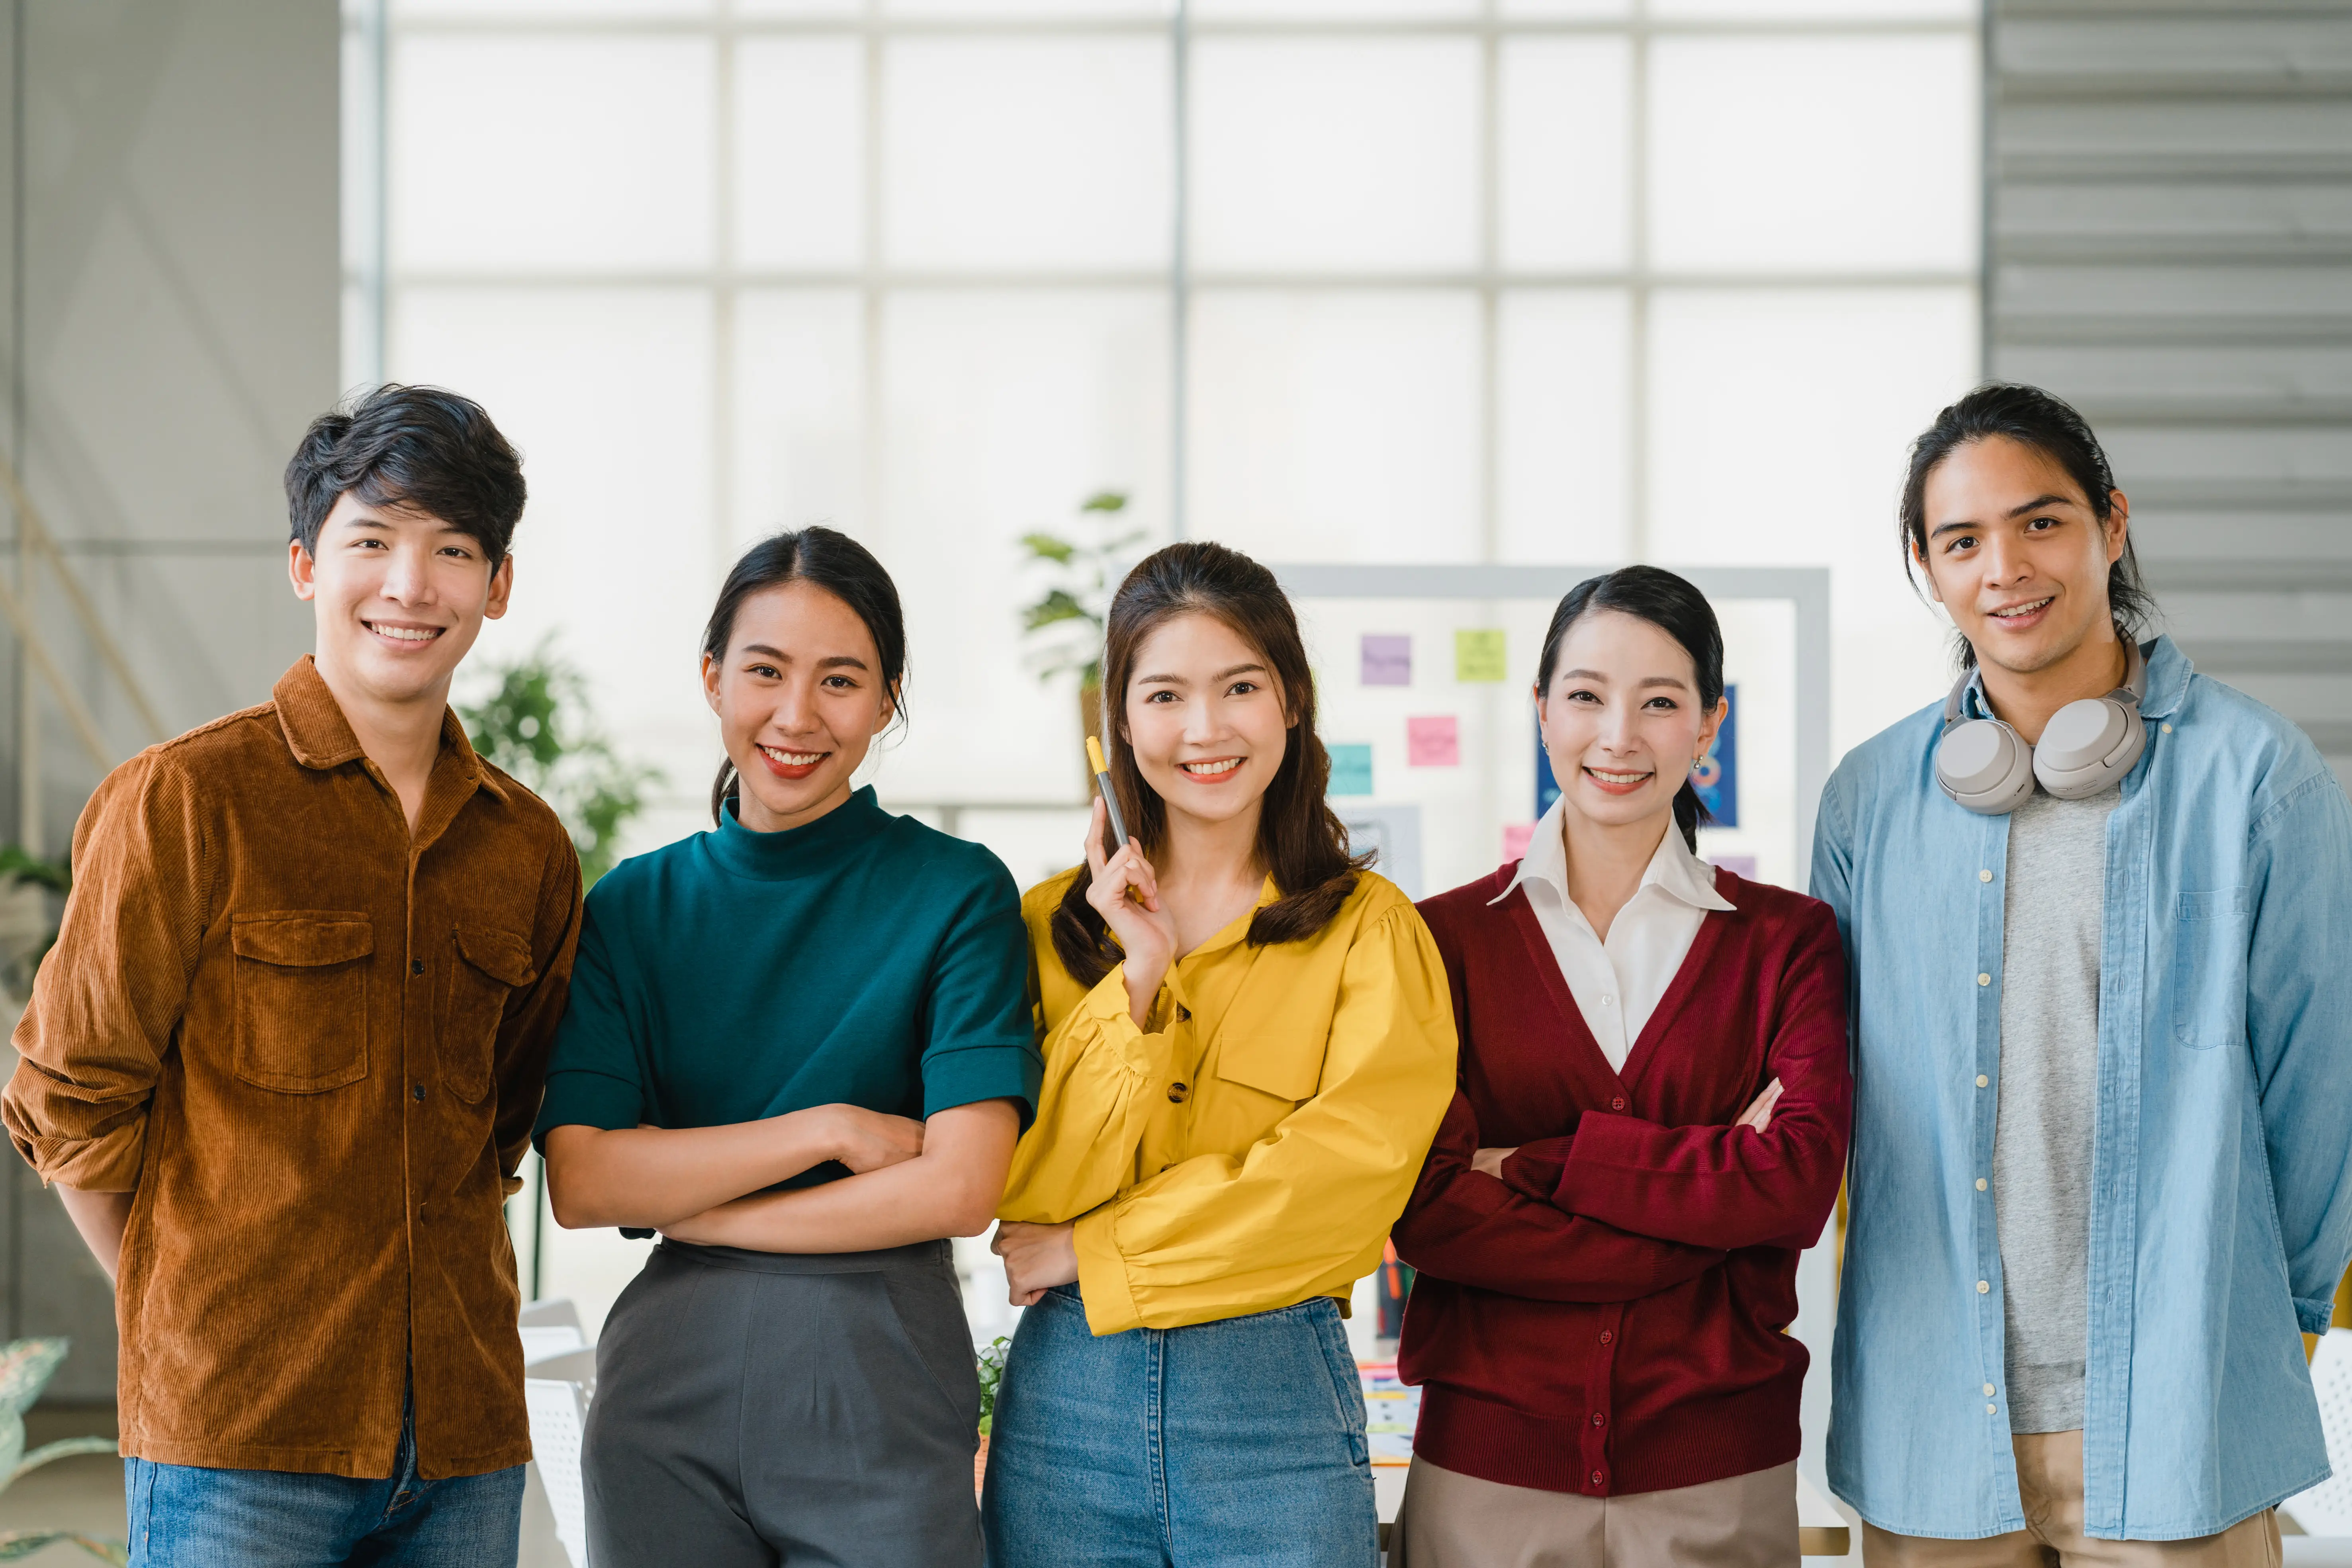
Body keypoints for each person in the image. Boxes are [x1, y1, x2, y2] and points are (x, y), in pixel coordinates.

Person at [2, 385, 581, 1566]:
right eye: (372, 541)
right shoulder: (187, 801)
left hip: (466, 1449)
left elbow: (502, 1127)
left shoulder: (527, 849)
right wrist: (194, 1310)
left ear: (499, 586)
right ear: (307, 565)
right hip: (238, 1444)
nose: (411, 587)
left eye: (453, 551)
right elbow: (66, 1102)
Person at [1816, 383, 2352, 1566]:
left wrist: (2251, 1328)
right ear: (1927, 566)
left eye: (2040, 522)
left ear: (2112, 524)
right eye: (1961, 541)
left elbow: (2322, 1104)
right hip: (1933, 1429)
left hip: (2180, 1421)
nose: (2004, 567)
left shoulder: (2258, 778)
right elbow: (1832, 1100)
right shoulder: (1868, 800)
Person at [536, 526, 1039, 1568]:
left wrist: (705, 1209)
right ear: (715, 678)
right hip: (663, 1402)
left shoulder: (956, 892)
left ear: (889, 699)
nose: (797, 716)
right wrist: (831, 1129)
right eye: (765, 671)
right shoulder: (632, 909)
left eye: (841, 681)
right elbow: (585, 1180)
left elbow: (960, 1188)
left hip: (881, 1375)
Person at [983, 541, 1458, 1568]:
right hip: (1062, 1414)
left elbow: (1336, 1193)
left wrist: (1093, 1251)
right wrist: (1138, 979)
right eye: (1164, 695)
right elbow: (1025, 1183)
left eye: (1239, 686)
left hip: (1274, 1415)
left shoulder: (1373, 933)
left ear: (1291, 701)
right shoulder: (1034, 931)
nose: (1204, 730)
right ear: (1117, 728)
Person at [1385, 566, 1851, 1568]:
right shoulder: (1441, 941)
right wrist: (1709, 1186)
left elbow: (1797, 1186)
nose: (1618, 736)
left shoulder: (1788, 942)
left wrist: (1530, 1167)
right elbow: (1425, 1210)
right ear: (1542, 711)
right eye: (1587, 696)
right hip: (1485, 1478)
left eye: (1660, 703)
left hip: (1718, 1478)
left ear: (1708, 724)